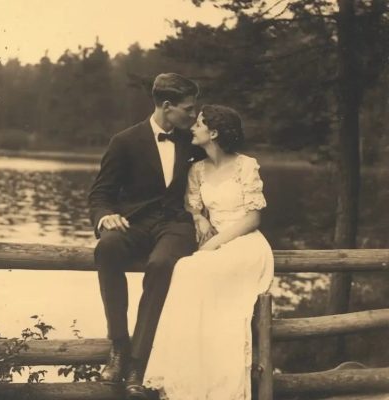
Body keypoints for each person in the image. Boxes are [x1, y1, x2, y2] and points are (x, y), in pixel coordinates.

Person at [143, 105, 274, 400]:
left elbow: (253, 218)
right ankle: (189, 381)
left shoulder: (246, 166)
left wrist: (216, 243)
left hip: (245, 243)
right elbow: (192, 205)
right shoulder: (197, 170)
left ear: (213, 133)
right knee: (189, 272)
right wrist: (199, 217)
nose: (193, 127)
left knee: (192, 269)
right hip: (216, 248)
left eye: (199, 123)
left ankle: (218, 387)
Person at [88, 73, 205, 399]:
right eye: (188, 109)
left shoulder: (192, 142)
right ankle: (119, 345)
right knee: (107, 248)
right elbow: (100, 194)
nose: (193, 116)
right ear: (167, 107)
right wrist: (104, 216)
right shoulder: (124, 141)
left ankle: (138, 364)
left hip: (176, 226)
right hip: (135, 223)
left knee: (162, 264)